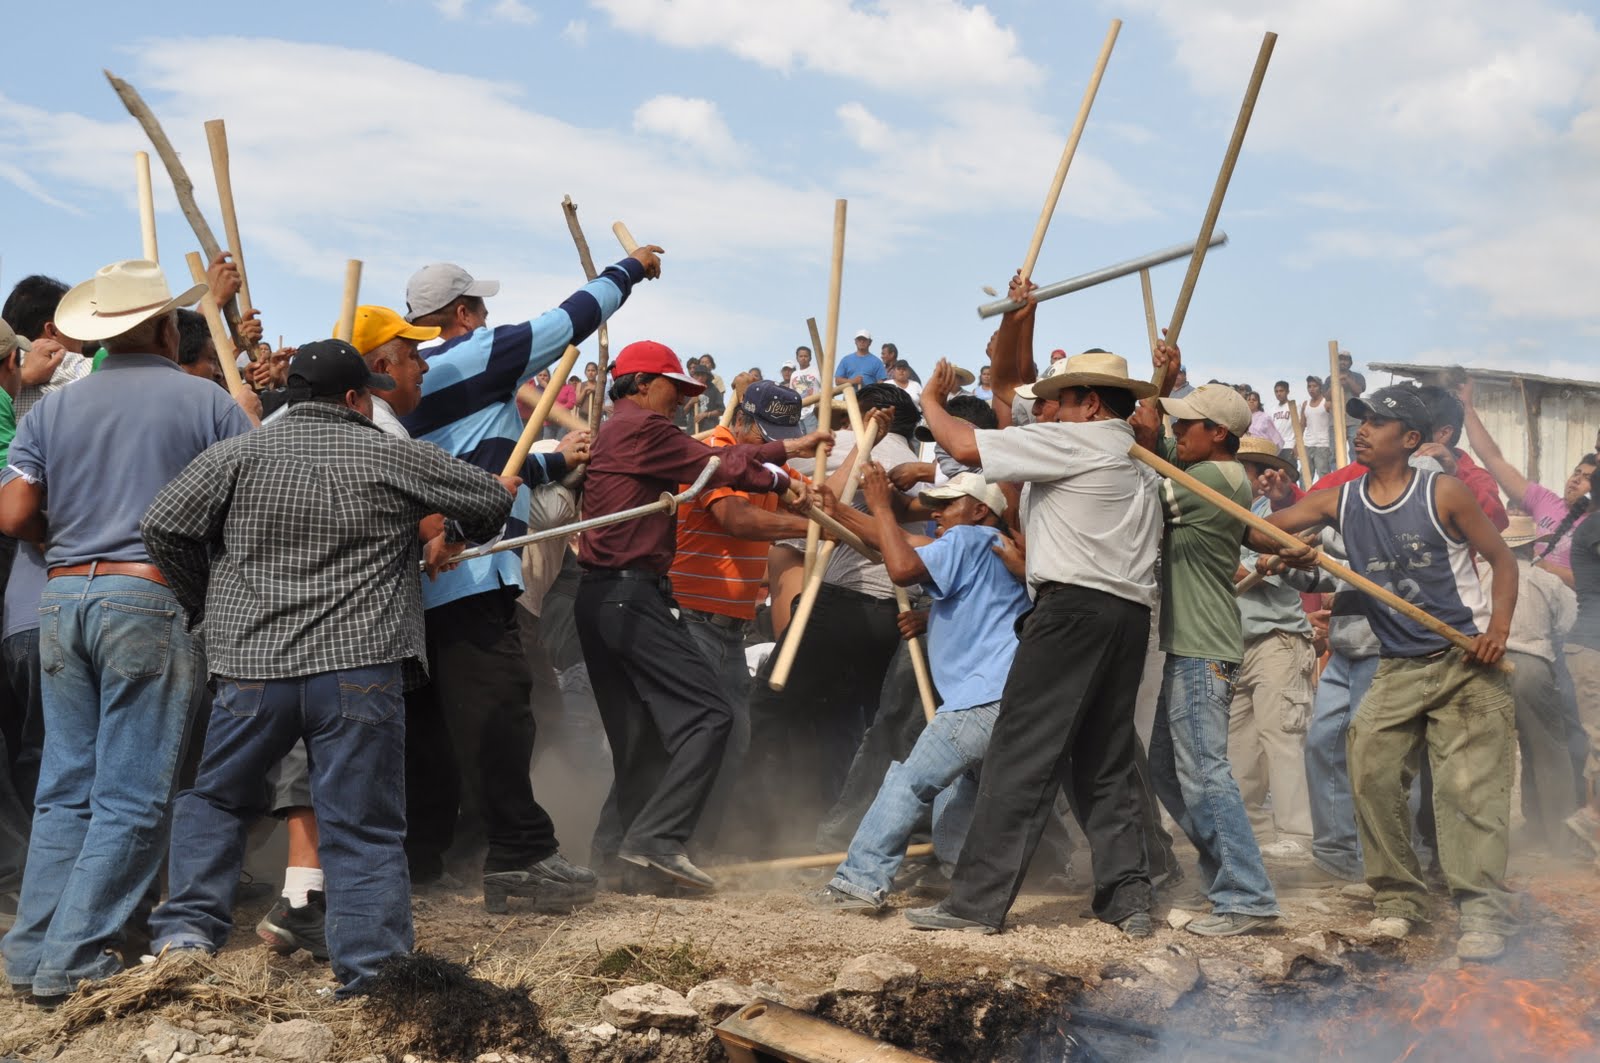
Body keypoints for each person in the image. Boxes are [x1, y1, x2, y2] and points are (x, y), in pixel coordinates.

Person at [143, 340, 517, 996]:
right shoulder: (392, 453)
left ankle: (185, 934)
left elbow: (163, 526)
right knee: (362, 819)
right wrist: (443, 535)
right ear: (354, 399)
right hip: (358, 668)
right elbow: (489, 501)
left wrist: (208, 598)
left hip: (253, 663)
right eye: (369, 392)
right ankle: (371, 970)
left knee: (217, 797)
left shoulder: (238, 453)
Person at [0, 260, 253, 1002]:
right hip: (147, 598)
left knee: (64, 788)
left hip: (61, 597)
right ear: (169, 327)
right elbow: (247, 505)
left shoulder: (51, 409)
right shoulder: (205, 401)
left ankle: (31, 953)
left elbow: (13, 515)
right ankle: (74, 959)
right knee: (134, 794)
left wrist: (76, 541)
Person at [398, 251, 648, 911]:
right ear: (461, 314)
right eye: (479, 307)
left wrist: (546, 464)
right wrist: (629, 269)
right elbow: (571, 321)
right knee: (500, 714)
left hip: (413, 578)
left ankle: (419, 859)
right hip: (467, 568)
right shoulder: (474, 355)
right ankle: (519, 857)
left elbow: (480, 467)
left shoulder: (408, 382)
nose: (488, 316)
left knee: (428, 727)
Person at [903, 353, 1163, 938]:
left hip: (1070, 611)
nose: (1053, 412)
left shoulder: (1081, 441)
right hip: (1127, 617)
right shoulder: (1136, 457)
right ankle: (1128, 899)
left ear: (1090, 403)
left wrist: (930, 403)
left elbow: (968, 450)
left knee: (1021, 753)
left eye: (1063, 400)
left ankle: (974, 904)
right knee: (1104, 759)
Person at [1256, 384, 1519, 961]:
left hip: (1464, 660)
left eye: (1378, 422)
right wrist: (1289, 546)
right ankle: (1399, 900)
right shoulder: (1341, 500)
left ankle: (1481, 913)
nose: (1364, 429)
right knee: (1371, 772)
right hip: (1397, 667)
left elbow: (1501, 559)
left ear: (1412, 440)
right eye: (1362, 420)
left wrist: (1497, 631)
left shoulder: (1443, 491)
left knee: (1466, 792)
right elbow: (1262, 533)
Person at [577, 341, 828, 891]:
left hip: (609, 598)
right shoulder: (644, 429)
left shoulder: (630, 429)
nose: (683, 400)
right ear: (642, 384)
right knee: (708, 718)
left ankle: (620, 863)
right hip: (633, 597)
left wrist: (790, 457)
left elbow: (732, 463)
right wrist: (787, 483)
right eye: (676, 388)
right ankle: (656, 843)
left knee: (644, 739)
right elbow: (722, 469)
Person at [251, 304, 444, 961]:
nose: (419, 366)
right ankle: (353, 935)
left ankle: (304, 897)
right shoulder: (375, 430)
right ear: (360, 387)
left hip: (273, 622)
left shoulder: (271, 428)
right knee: (351, 772)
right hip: (343, 623)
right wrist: (440, 531)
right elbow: (418, 507)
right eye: (408, 355)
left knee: (306, 756)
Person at [813, 469, 1026, 911]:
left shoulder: (968, 540)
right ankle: (957, 875)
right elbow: (903, 545)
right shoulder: (999, 548)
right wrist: (835, 513)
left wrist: (880, 506)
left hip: (979, 697)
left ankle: (859, 880)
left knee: (910, 782)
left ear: (981, 509)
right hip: (1012, 694)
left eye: (947, 505)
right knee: (963, 790)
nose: (936, 515)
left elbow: (903, 564)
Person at [1137, 377, 1280, 937]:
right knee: (1165, 770)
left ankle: (1248, 895)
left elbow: (1145, 481)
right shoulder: (1206, 467)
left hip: (1204, 647)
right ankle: (1225, 874)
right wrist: (1161, 383)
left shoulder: (1215, 478)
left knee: (1203, 773)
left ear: (1217, 433)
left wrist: (1147, 436)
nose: (1176, 432)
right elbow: (1160, 448)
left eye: (1185, 425)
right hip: (1190, 644)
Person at [665, 381, 815, 851]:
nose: (775, 446)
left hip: (731, 629)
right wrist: (809, 523)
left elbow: (821, 497)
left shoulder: (773, 466)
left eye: (784, 435)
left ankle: (697, 846)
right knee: (695, 739)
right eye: (767, 433)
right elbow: (737, 518)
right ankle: (657, 845)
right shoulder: (712, 451)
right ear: (745, 421)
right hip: (691, 621)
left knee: (732, 741)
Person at [1229, 438, 1315, 860]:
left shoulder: (1276, 516)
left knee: (1281, 738)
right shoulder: (1226, 513)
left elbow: (1243, 570)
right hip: (1236, 644)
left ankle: (1297, 836)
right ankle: (1254, 838)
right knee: (1238, 750)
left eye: (1243, 469)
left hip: (1277, 641)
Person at [1472, 515, 1579, 854]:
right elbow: (1568, 625)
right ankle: (1558, 839)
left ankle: (1486, 842)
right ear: (1532, 546)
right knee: (1547, 751)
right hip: (1532, 666)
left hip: (1484, 665)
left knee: (1486, 756)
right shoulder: (1546, 581)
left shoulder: (1480, 575)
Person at [1458, 377, 1593, 587]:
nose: (1576, 479)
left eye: (1588, 478)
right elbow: (1493, 459)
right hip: (1531, 593)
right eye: (1577, 472)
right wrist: (1467, 409)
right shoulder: (1545, 501)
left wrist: (1547, 570)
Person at [1301, 376, 1333, 480]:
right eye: (1309, 386)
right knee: (1304, 475)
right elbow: (1302, 424)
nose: (1311, 389)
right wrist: (1298, 444)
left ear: (1320, 387)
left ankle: (1325, 496)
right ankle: (1305, 496)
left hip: (1323, 444)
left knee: (1323, 474)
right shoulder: (1305, 404)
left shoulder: (1326, 403)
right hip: (1307, 444)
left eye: (1314, 386)